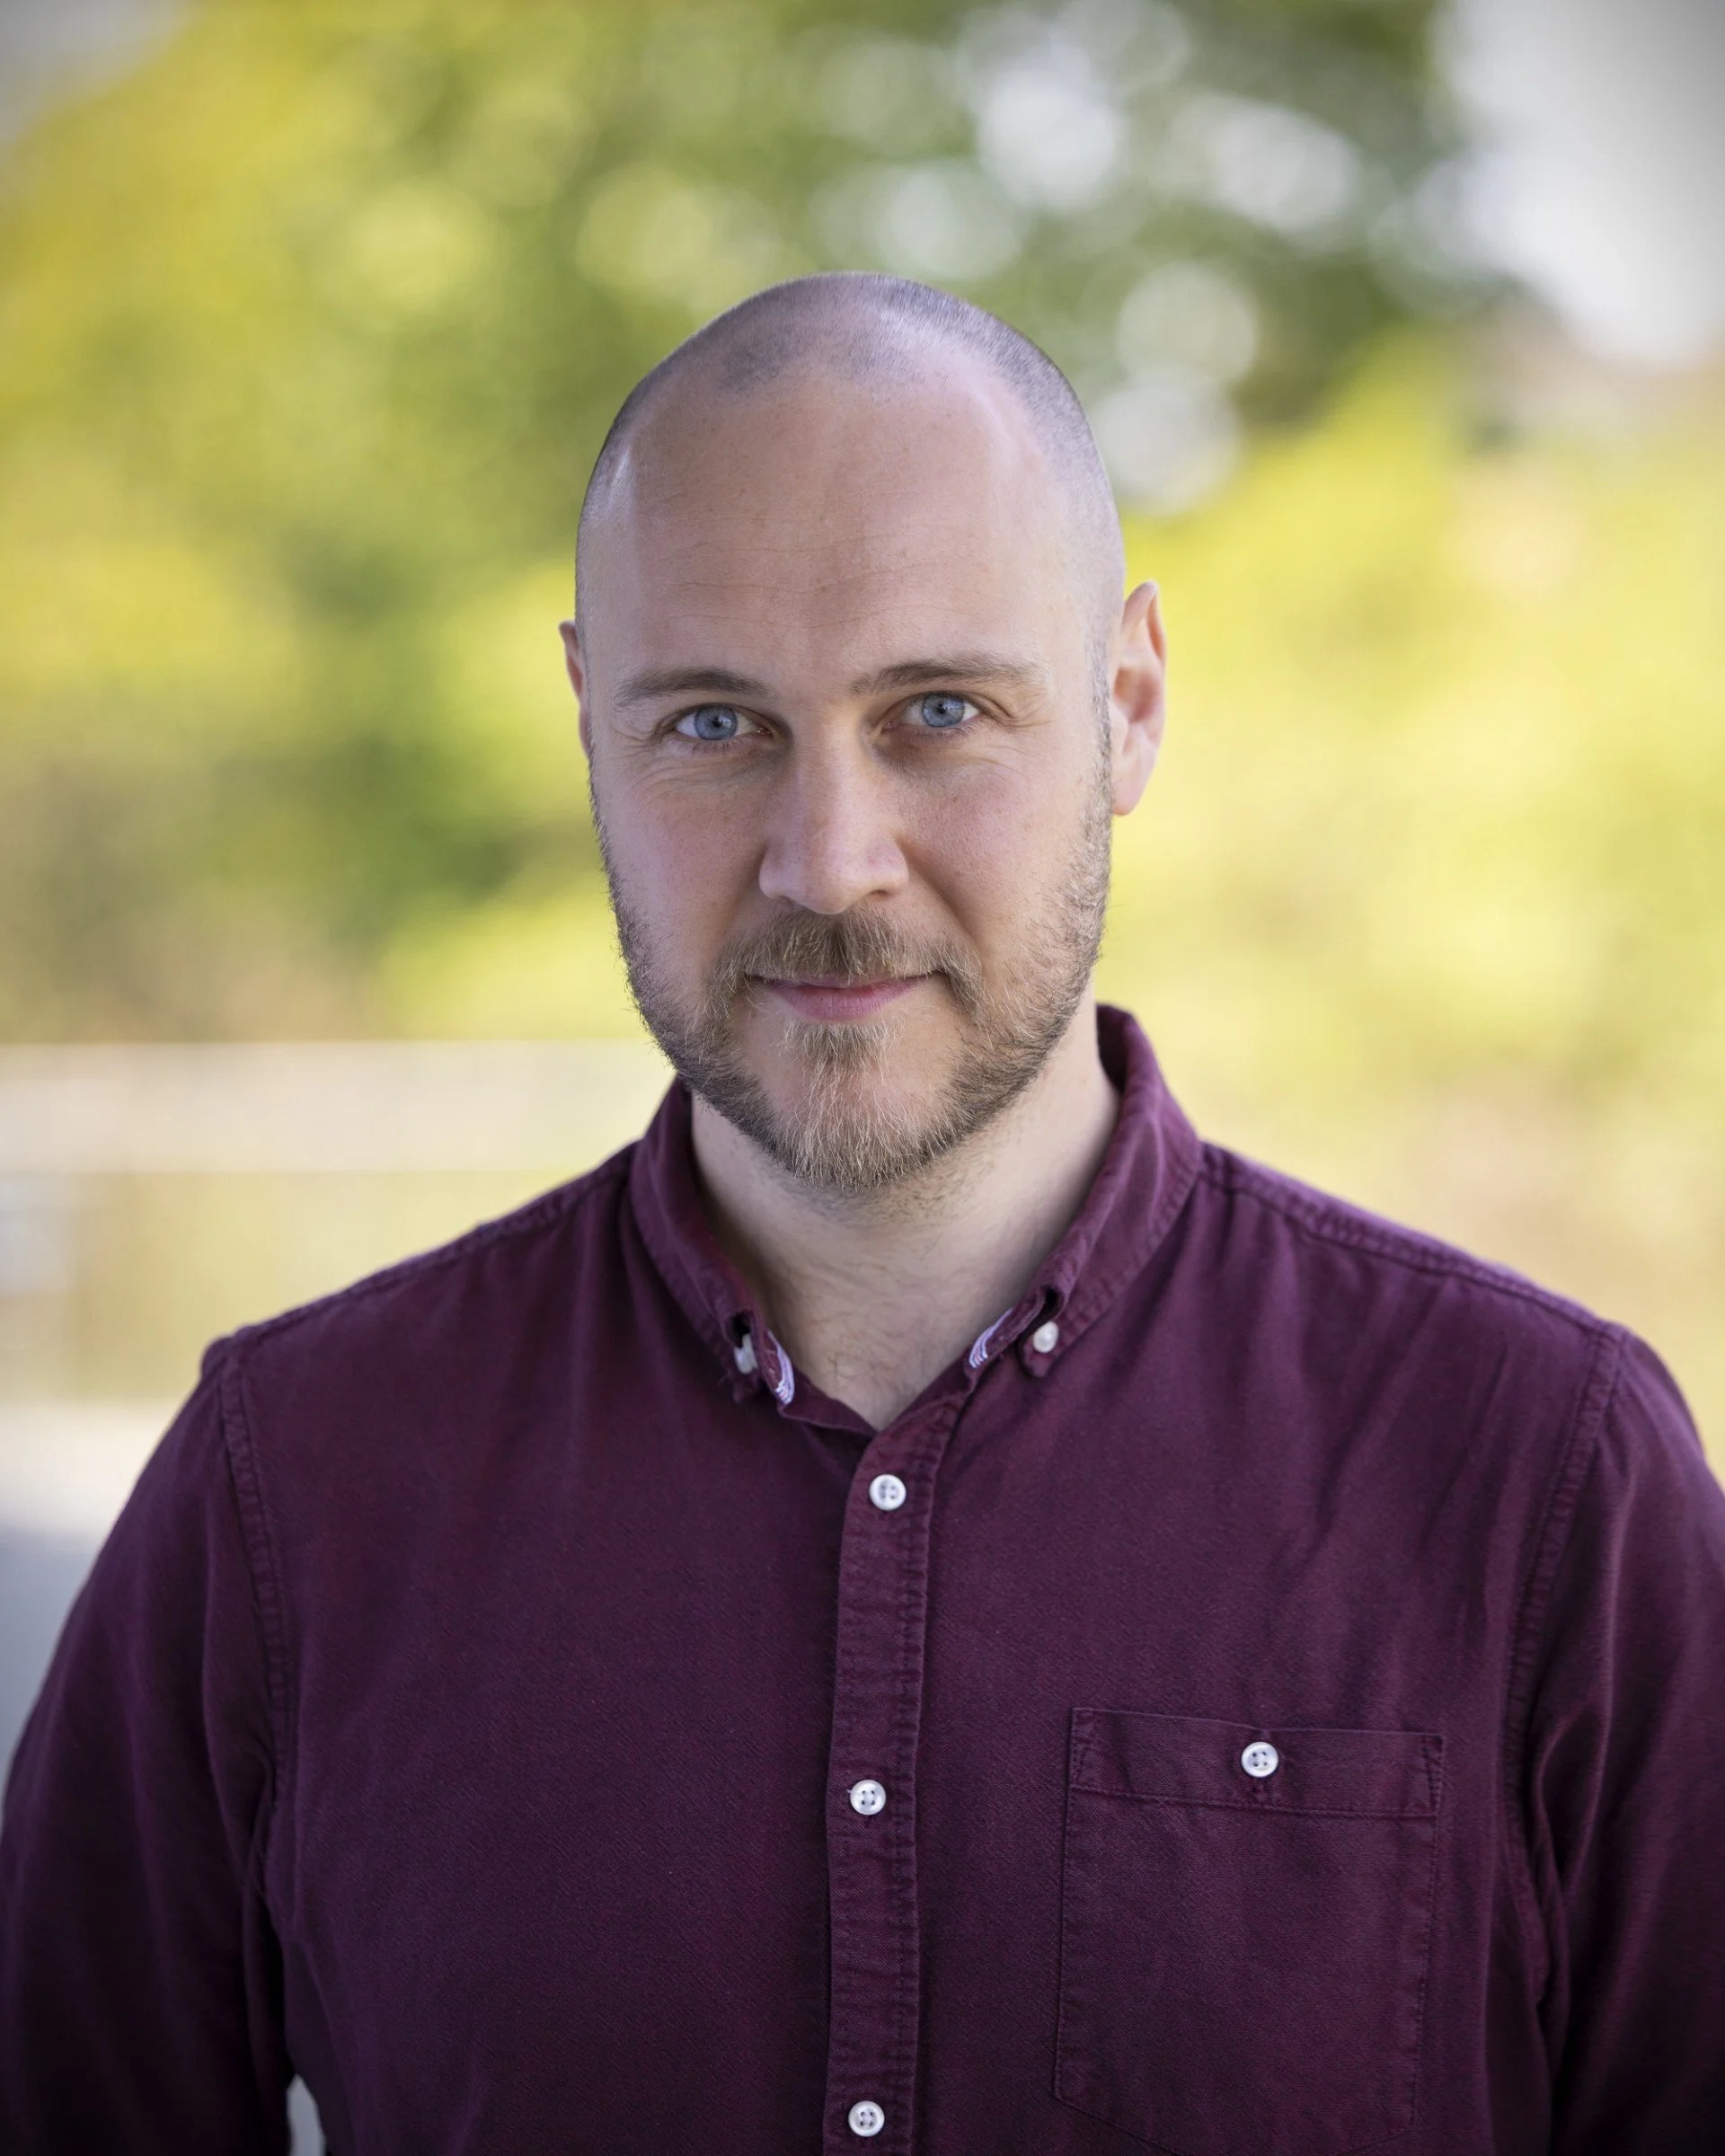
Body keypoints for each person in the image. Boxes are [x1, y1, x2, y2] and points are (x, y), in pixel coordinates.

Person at [3, 273, 1722, 2156]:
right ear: (591, 723)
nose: (829, 860)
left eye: (939, 711)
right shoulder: (293, 1490)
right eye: (717, 724)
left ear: (1130, 707)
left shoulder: (1544, 1479)